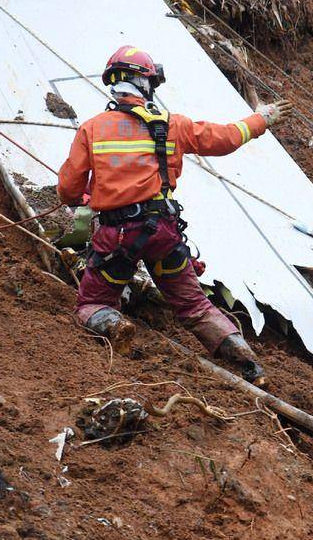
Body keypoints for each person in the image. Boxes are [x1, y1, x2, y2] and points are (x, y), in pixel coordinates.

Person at [57, 46, 291, 382]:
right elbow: (225, 139)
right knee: (195, 307)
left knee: (92, 302)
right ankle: (249, 365)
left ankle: (115, 324)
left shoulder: (93, 129)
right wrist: (261, 118)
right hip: (163, 233)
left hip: (118, 238)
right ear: (145, 83)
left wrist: (79, 197)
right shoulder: (173, 125)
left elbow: (67, 187)